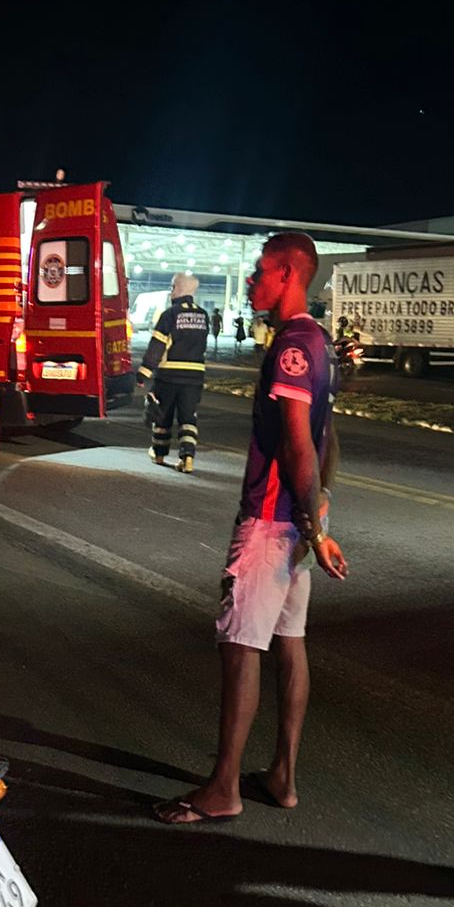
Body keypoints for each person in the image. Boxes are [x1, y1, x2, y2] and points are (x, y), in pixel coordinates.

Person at [154, 232, 348, 825]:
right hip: (299, 521)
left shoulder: (292, 345)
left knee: (241, 648)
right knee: (290, 642)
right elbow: (328, 437)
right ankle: (283, 776)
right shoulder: (317, 340)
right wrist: (319, 511)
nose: (252, 282)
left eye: (261, 271)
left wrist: (312, 528)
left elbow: (298, 442)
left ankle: (224, 788)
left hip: (271, 523)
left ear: (288, 273)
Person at [136, 273, 209, 473]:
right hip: (195, 377)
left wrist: (144, 372)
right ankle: (187, 458)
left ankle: (159, 454)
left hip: (169, 376)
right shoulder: (203, 315)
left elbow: (157, 346)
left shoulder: (170, 314)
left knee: (163, 415)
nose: (171, 291)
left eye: (172, 287)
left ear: (178, 288)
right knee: (188, 417)